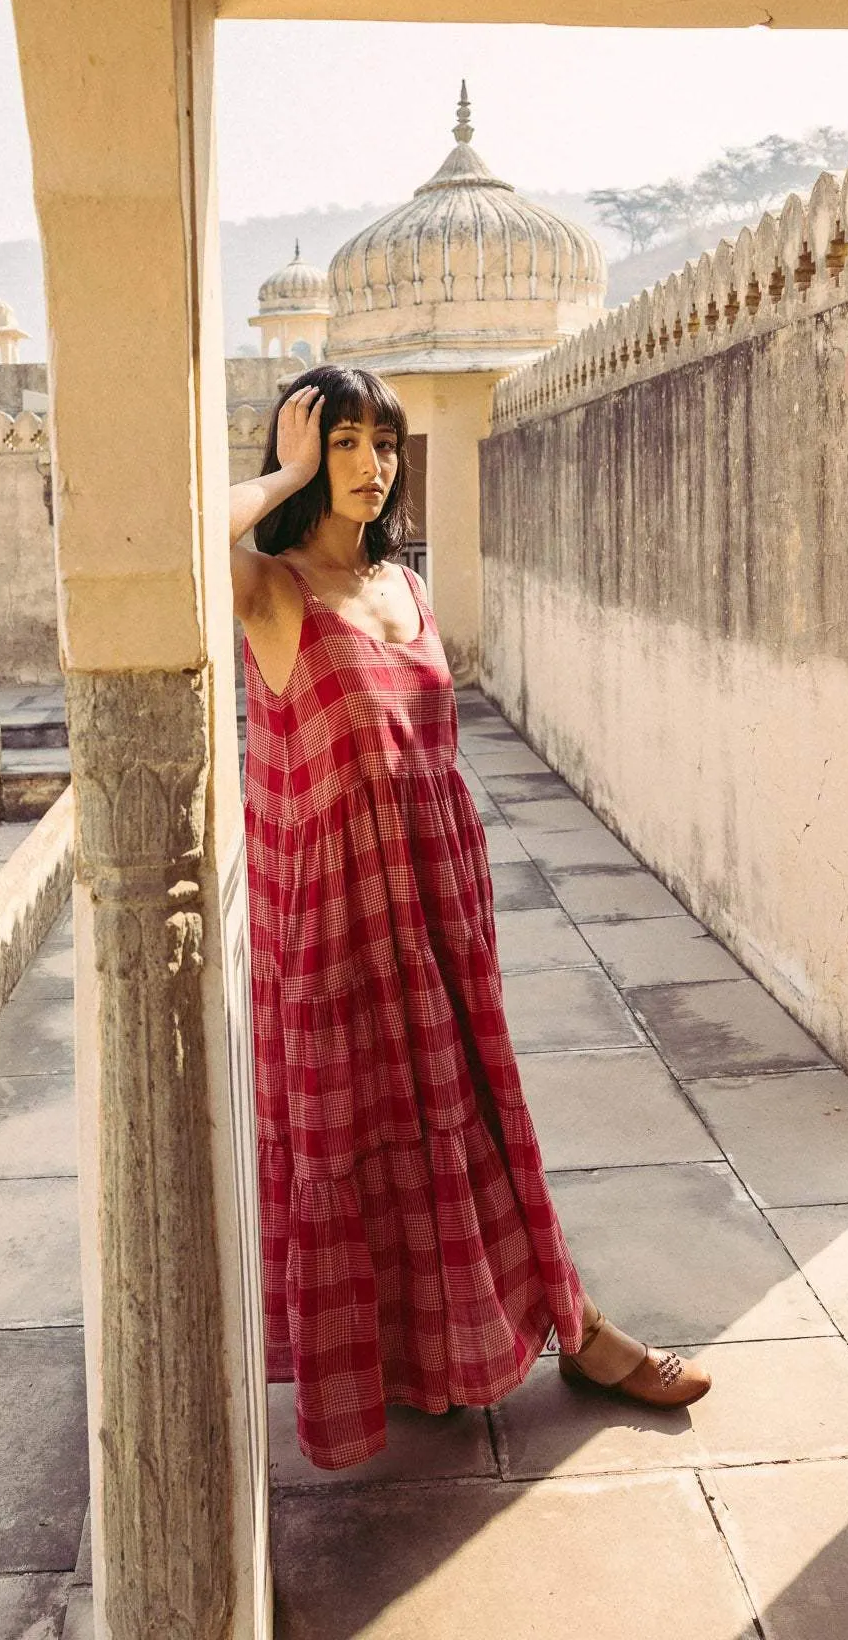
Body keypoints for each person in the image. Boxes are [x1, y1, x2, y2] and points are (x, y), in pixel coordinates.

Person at [229, 362, 710, 1469]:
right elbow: (183, 537)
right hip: (340, 929)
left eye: (382, 443)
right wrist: (285, 472)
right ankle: (465, 1355)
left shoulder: (406, 585)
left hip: (438, 909)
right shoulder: (273, 590)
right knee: (366, 1141)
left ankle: (575, 1330)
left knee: (481, 1129)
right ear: (305, 454)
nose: (370, 463)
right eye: (344, 442)